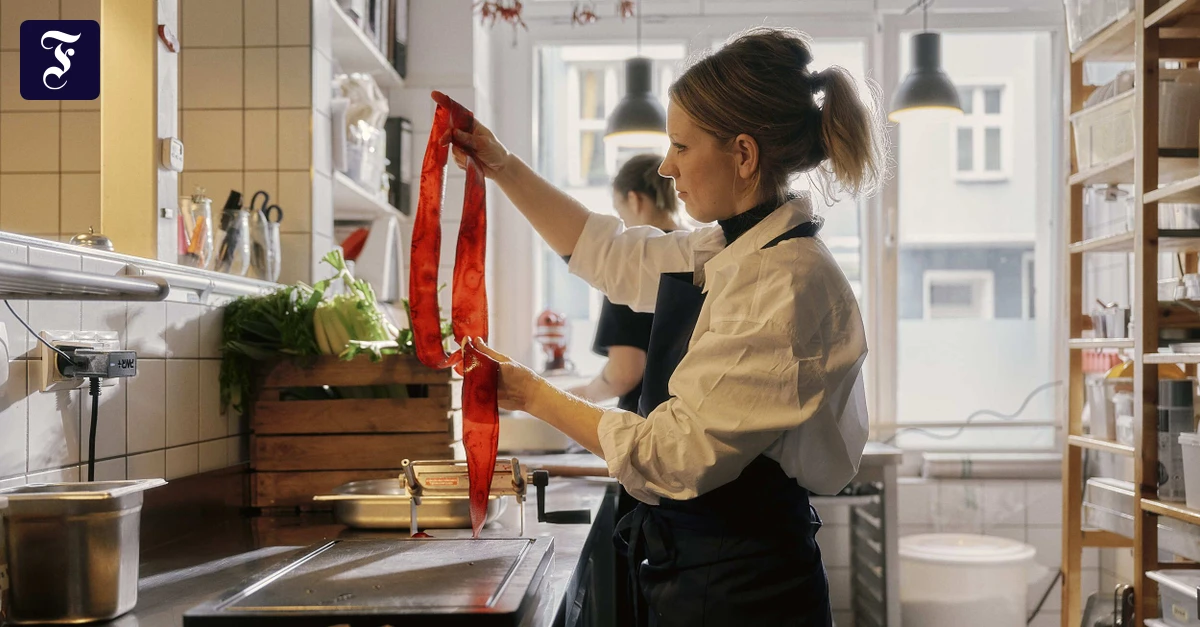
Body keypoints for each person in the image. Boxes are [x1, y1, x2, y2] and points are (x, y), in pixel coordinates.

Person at [440, 25, 883, 627]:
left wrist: (529, 392)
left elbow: (670, 452)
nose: (667, 168)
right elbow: (613, 256)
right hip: (701, 566)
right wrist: (502, 166)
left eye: (681, 146)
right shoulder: (734, 251)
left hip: (744, 589)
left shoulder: (781, 282)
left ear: (744, 155)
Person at [567, 153, 683, 413]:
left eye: (620, 213)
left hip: (650, 424)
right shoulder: (702, 252)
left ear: (635, 199)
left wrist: (584, 394)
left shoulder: (632, 263)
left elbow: (624, 372)